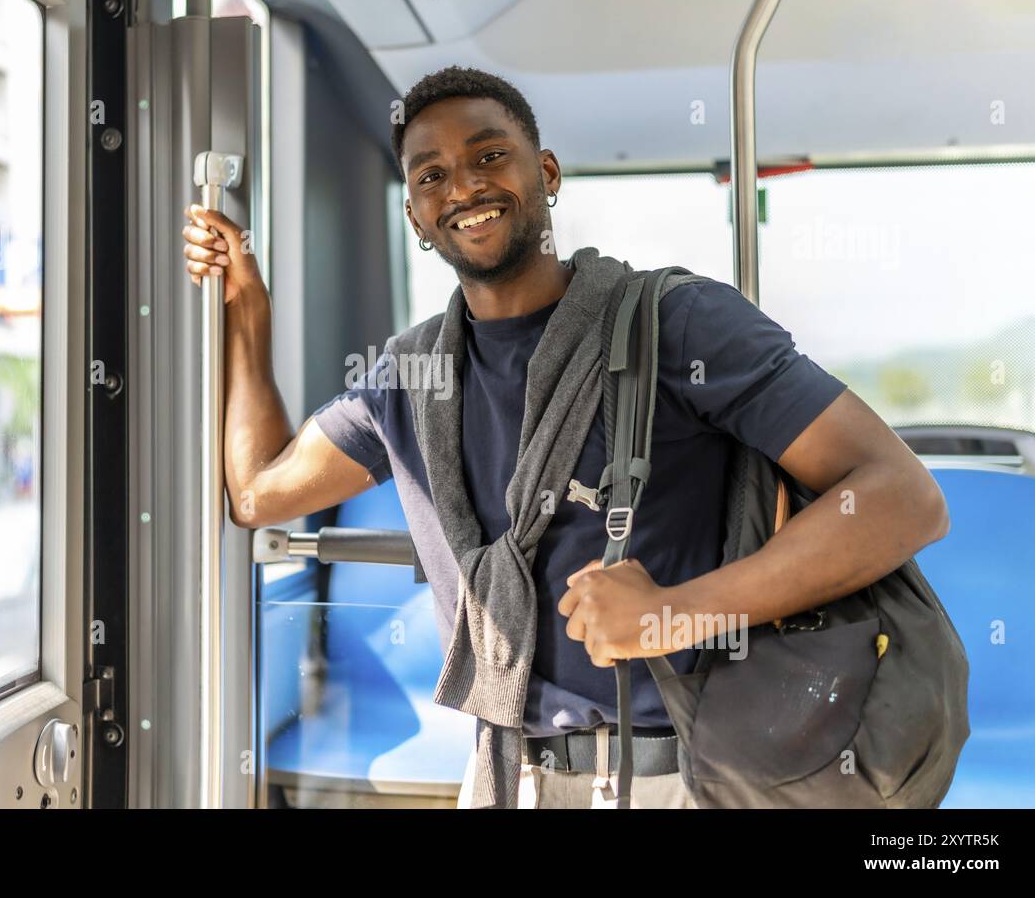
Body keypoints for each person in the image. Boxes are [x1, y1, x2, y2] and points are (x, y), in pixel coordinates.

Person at [183, 66, 949, 809]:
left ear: (545, 172)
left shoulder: (677, 323)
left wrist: (675, 611)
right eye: (431, 177)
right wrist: (249, 315)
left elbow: (901, 497)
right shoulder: (409, 377)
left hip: (684, 773)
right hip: (505, 771)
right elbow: (258, 492)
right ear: (415, 217)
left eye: (489, 156)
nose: (465, 188)